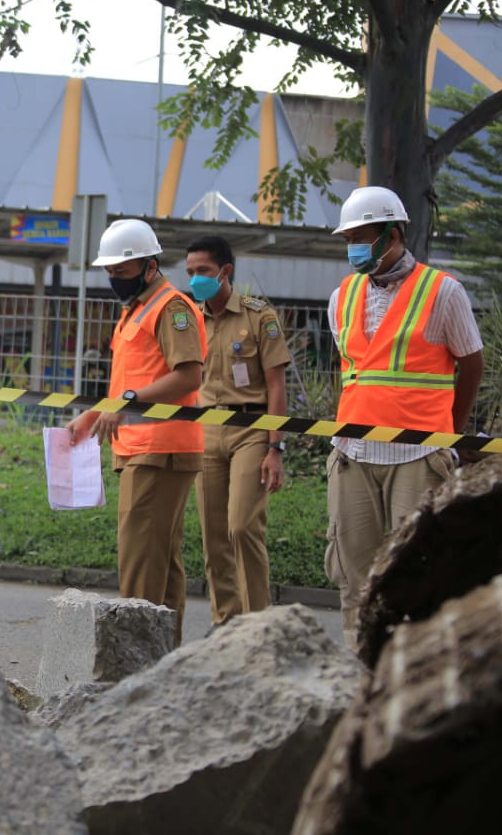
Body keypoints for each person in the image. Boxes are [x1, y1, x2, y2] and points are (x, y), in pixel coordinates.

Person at [326, 185, 484, 648]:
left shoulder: (443, 292)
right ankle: (360, 677)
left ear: (394, 234)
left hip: (418, 455)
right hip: (352, 453)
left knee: (415, 572)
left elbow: (470, 362)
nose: (354, 247)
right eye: (348, 238)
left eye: (363, 235)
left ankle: (412, 676)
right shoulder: (343, 296)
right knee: (355, 576)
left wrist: (450, 433)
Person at [67, 219, 205, 645]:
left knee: (142, 564)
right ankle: (161, 660)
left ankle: (135, 662)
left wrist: (126, 404)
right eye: (109, 272)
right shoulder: (136, 309)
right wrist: (98, 413)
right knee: (159, 564)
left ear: (149, 266)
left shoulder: (171, 307)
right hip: (141, 447)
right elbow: (137, 378)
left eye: (121, 272)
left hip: (160, 449)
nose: (114, 280)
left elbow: (189, 376)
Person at [184, 235, 291, 628]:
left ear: (225, 272)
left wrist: (276, 448)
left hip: (252, 428)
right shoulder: (190, 318)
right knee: (214, 536)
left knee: (242, 526)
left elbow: (278, 385)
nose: (195, 279)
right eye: (191, 272)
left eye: (204, 272)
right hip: (207, 430)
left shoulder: (257, 316)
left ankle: (258, 625)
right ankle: (226, 622)